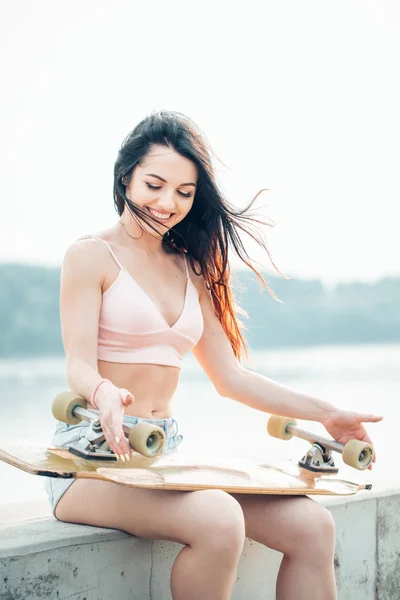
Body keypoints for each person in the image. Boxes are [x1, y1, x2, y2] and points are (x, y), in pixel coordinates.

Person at [45, 110, 382, 600]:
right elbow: (77, 363)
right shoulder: (90, 255)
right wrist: (102, 392)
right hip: (91, 456)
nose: (168, 203)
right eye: (155, 185)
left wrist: (327, 413)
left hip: (163, 449)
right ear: (126, 178)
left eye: (184, 192)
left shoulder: (191, 268)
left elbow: (231, 378)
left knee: (312, 525)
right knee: (221, 519)